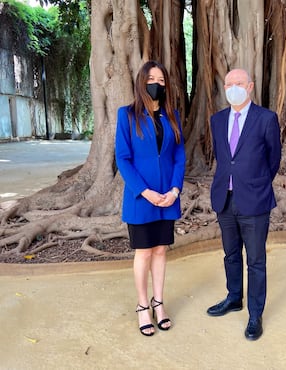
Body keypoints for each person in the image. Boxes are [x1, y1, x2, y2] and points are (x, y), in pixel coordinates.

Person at [207, 68, 282, 341]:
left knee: (256, 261)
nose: (233, 88)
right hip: (224, 199)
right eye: (228, 84)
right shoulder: (217, 120)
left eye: (238, 83)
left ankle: (254, 314)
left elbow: (273, 159)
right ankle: (234, 297)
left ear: (250, 86)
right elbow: (223, 158)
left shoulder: (266, 119)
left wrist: (256, 183)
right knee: (230, 255)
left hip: (255, 200)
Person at [115, 61, 186, 337]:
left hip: (168, 197)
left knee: (160, 250)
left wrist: (174, 191)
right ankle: (143, 306)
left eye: (162, 79)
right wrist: (145, 191)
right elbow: (123, 158)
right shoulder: (127, 115)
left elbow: (179, 157)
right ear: (141, 82)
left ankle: (159, 303)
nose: (157, 83)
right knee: (143, 252)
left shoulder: (172, 116)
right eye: (151, 78)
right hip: (141, 198)